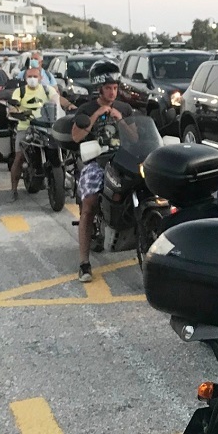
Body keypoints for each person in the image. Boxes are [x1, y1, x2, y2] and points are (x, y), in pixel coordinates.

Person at [70, 60, 134, 283]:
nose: (112, 92)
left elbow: (136, 137)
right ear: (99, 89)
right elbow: (76, 136)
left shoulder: (124, 109)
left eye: (115, 88)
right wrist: (97, 115)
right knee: (89, 204)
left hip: (123, 161)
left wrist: (121, 120)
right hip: (96, 162)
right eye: (108, 88)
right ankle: (84, 263)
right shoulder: (86, 109)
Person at [9, 67, 62, 201]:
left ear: (40, 78)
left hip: (46, 126)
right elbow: (12, 107)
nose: (32, 79)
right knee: (19, 157)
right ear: (25, 78)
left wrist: (66, 105)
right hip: (26, 127)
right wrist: (15, 111)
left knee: (63, 146)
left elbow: (56, 99)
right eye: (29, 76)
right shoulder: (20, 91)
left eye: (35, 76)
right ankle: (14, 189)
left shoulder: (47, 89)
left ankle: (63, 181)